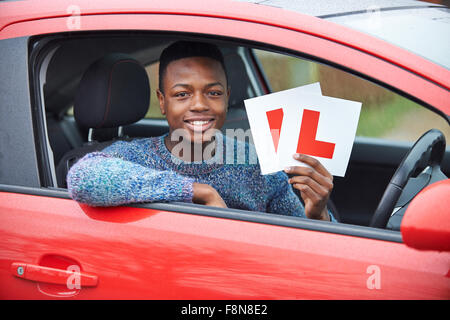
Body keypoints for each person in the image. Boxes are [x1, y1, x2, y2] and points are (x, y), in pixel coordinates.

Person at [67, 41, 336, 222]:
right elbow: (83, 178)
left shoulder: (259, 162)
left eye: (213, 93)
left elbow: (306, 247)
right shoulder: (135, 156)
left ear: (227, 97)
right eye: (182, 94)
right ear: (162, 101)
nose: (199, 104)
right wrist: (197, 191)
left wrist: (317, 212)